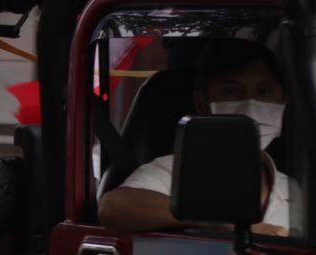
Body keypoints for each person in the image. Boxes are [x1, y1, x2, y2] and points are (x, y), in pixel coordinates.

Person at [98, 38, 296, 236]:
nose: (251, 104)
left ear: (283, 101)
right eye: (232, 91)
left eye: (264, 91)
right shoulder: (173, 170)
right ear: (202, 105)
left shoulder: (295, 191)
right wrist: (220, 223)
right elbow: (114, 207)